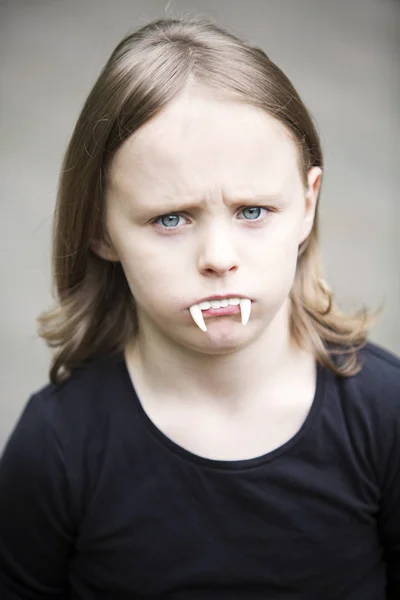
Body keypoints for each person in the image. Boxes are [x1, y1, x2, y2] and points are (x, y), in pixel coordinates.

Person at [0, 17, 399, 600]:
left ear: (307, 204)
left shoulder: (385, 415)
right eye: (170, 218)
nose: (218, 257)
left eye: (253, 211)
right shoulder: (57, 445)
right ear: (100, 230)